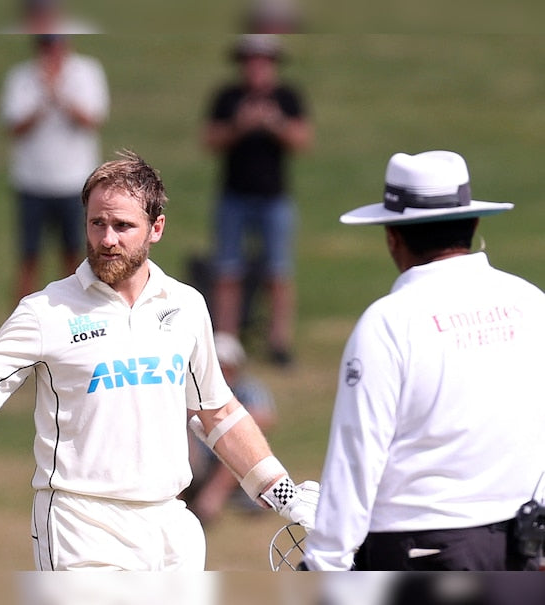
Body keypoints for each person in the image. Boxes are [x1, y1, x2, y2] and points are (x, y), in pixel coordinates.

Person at [0, 150, 319, 571]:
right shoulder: (47, 311)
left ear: (156, 228)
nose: (107, 239)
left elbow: (217, 412)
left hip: (171, 526)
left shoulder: (186, 306)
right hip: (81, 526)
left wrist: (284, 495)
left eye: (124, 226)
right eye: (97, 223)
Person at [300, 150, 545, 571]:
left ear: (393, 236)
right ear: (473, 223)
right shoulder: (531, 303)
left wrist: (324, 564)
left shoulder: (388, 323)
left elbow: (357, 455)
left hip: (422, 549)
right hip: (523, 546)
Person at [202, 34, 313, 367]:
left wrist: (273, 124)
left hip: (274, 198)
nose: (256, 67)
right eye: (250, 61)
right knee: (227, 271)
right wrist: (240, 125)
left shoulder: (287, 97)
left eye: (262, 61)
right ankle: (226, 341)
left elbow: (302, 140)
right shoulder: (228, 97)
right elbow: (210, 139)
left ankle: (279, 341)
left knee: (278, 271)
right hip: (233, 196)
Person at [0, 34, 109, 301]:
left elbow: (91, 119)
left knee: (74, 256)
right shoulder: (21, 76)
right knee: (29, 257)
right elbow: (14, 127)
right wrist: (42, 100)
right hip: (32, 181)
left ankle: (75, 318)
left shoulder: (87, 72)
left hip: (75, 182)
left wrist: (58, 93)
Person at [183, 331, 277, 524]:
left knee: (236, 446)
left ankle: (210, 502)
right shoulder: (190, 388)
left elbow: (266, 417)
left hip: (229, 459)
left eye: (227, 368)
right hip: (198, 456)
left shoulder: (248, 389)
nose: (223, 374)